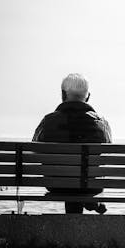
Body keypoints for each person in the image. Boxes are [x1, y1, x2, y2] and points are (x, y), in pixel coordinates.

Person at [33, 73, 112, 214]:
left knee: (71, 179)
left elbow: (34, 150)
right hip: (90, 185)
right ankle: (88, 200)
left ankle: (85, 203)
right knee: (83, 178)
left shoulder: (48, 121)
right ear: (87, 96)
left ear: (63, 95)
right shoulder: (101, 123)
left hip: (55, 184)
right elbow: (107, 151)